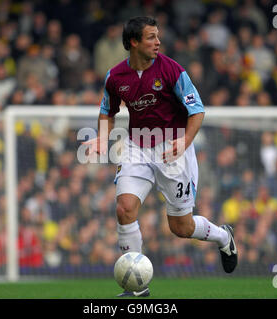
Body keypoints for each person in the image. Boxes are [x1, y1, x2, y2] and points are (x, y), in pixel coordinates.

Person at [84, 17, 237, 297]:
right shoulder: (115, 77)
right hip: (137, 147)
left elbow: (197, 110)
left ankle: (223, 237)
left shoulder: (172, 70)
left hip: (173, 150)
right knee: (124, 208)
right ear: (134, 42)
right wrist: (102, 137)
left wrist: (184, 141)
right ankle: (136, 288)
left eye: (158, 36)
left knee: (181, 227)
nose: (158, 42)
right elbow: (108, 110)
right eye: (151, 37)